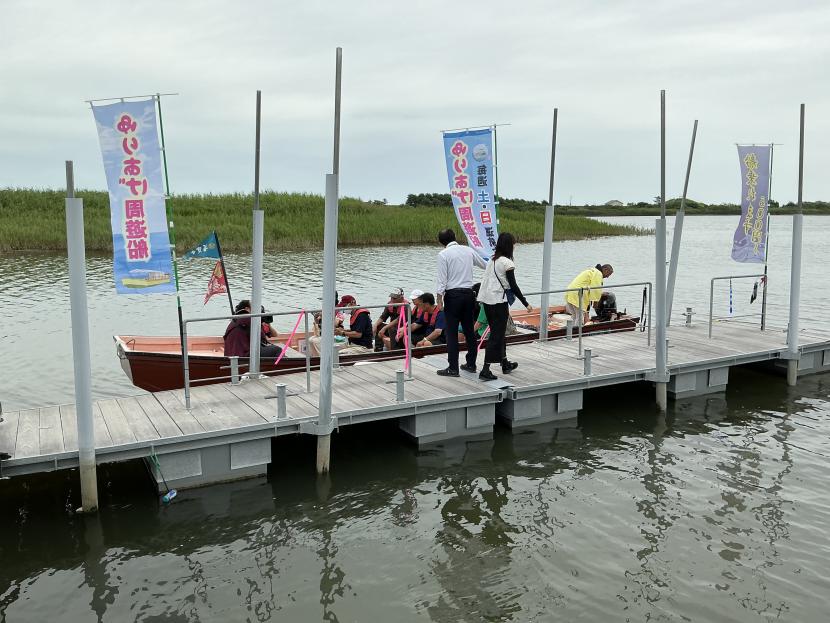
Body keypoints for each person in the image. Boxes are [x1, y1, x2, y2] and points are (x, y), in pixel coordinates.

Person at [476, 232, 532, 381]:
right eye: (513, 243)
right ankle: (486, 369)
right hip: (498, 302)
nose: (515, 246)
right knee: (496, 335)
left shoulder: (492, 260)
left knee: (498, 334)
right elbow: (513, 285)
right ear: (509, 245)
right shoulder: (507, 263)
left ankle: (505, 363)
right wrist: (525, 302)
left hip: (487, 301)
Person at [435, 228, 487, 376]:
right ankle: (471, 364)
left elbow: (442, 280)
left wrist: (439, 299)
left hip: (453, 296)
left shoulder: (443, 255)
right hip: (469, 294)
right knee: (469, 331)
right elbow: (484, 265)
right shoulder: (468, 250)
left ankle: (453, 368)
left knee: (451, 333)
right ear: (455, 237)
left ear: (441, 242)